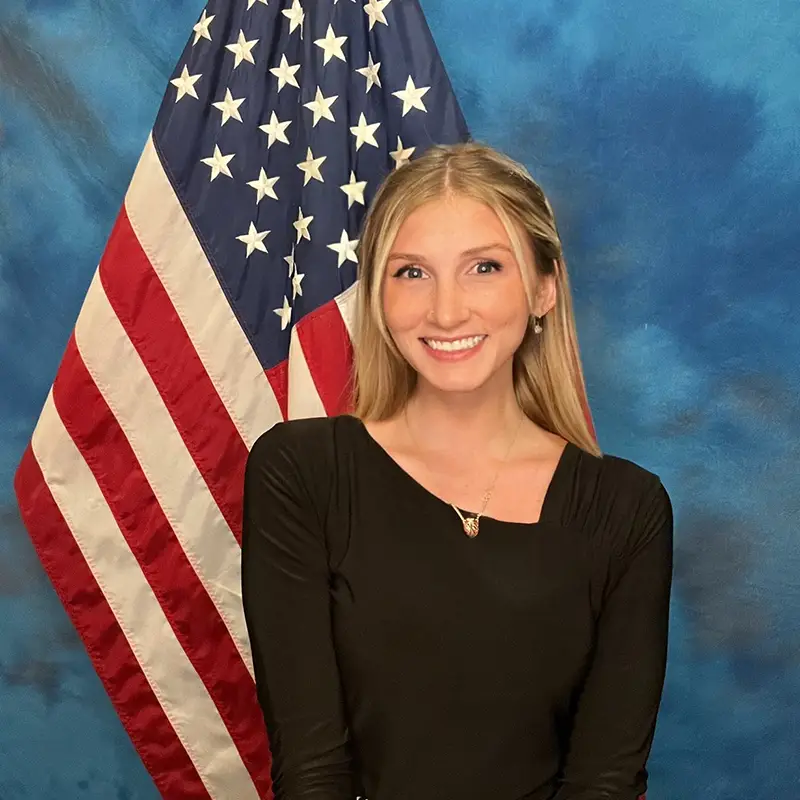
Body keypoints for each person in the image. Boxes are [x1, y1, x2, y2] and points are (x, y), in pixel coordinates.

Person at [241, 141, 674, 800]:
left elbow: (606, 781)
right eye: (412, 273)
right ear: (378, 295)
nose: (446, 312)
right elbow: (311, 769)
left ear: (544, 289)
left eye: (484, 268)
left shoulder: (626, 508)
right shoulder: (302, 473)